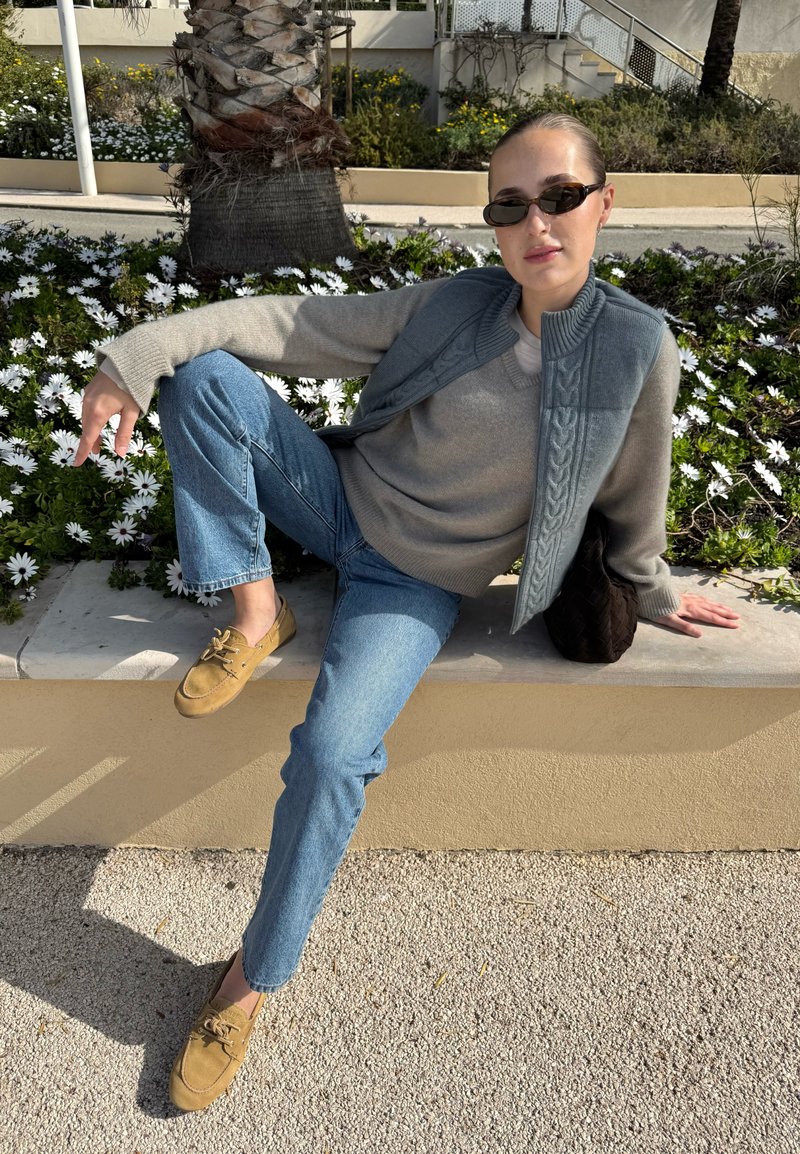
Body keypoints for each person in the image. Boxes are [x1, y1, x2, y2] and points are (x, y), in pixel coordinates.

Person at [76, 112, 740, 1111]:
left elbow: (635, 492)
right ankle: (257, 612)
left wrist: (650, 588)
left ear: (604, 201)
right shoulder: (454, 305)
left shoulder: (633, 348)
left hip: (415, 582)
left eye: (558, 196)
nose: (535, 223)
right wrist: (129, 358)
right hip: (335, 502)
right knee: (207, 378)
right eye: (508, 205)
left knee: (335, 753)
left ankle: (247, 982)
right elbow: (281, 326)